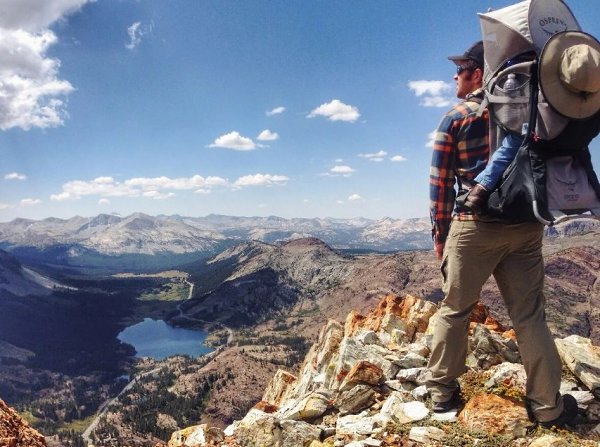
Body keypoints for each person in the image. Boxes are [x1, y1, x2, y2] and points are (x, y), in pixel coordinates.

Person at [426, 40, 578, 428]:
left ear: (478, 73)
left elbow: (440, 184)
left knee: (455, 309)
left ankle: (441, 393)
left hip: (474, 227)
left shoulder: (456, 117)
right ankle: (547, 405)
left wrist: (440, 233)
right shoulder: (536, 113)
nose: (454, 77)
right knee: (529, 316)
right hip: (525, 226)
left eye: (460, 70)